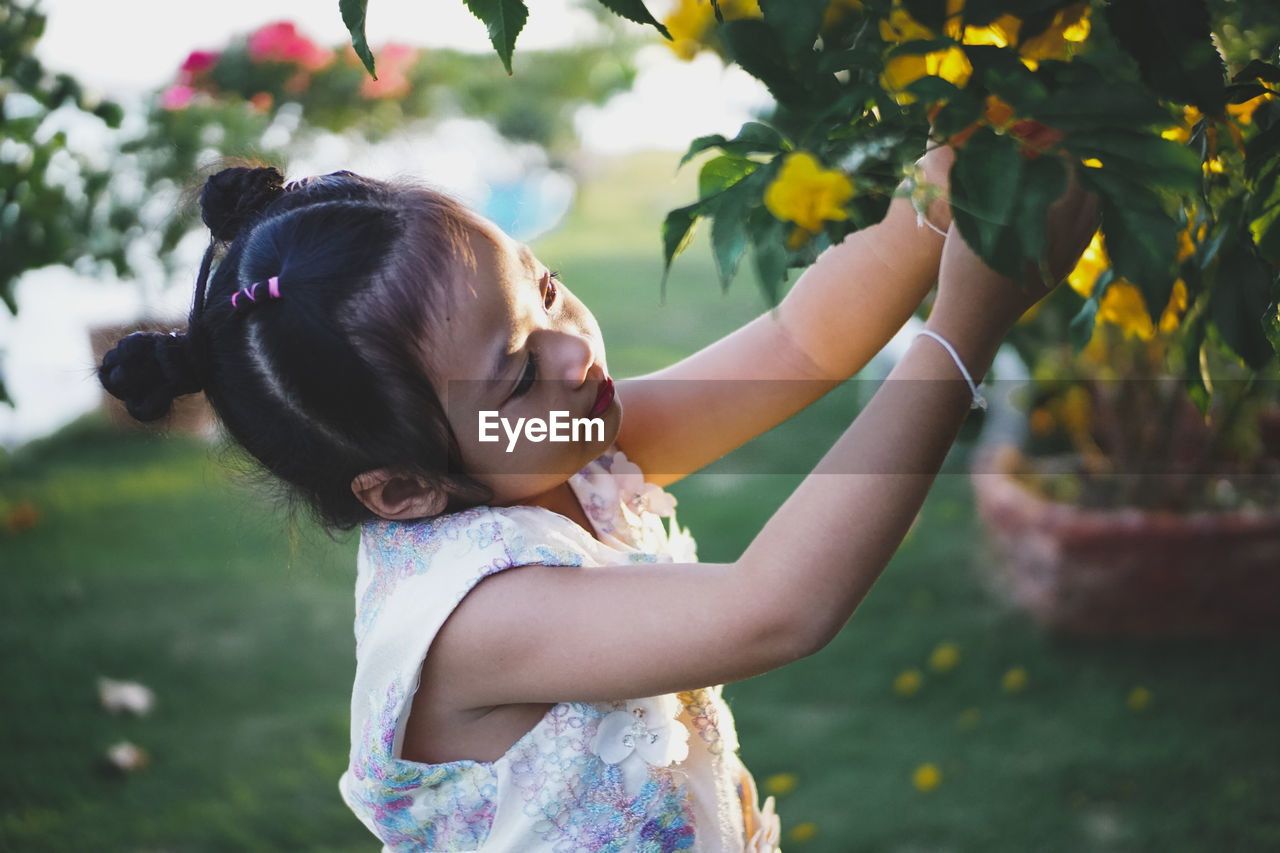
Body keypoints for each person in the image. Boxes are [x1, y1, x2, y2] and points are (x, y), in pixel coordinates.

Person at [98, 150, 1094, 851]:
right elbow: (776, 608)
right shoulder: (480, 615)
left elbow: (797, 344)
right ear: (402, 484)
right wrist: (961, 331)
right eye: (519, 368)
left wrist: (941, 190)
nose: (575, 355)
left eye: (548, 289)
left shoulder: (557, 444)